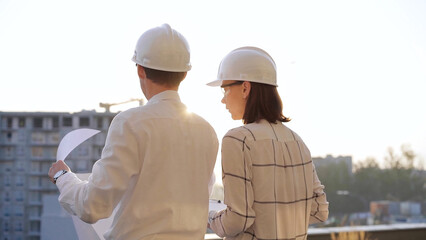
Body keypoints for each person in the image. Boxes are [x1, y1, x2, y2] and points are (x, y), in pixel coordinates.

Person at [48, 24, 218, 240]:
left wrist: (63, 177)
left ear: (140, 69)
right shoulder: (207, 131)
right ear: (185, 73)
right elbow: (200, 196)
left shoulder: (130, 123)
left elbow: (93, 206)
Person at [206, 47, 329, 240]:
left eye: (225, 89)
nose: (223, 99)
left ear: (245, 88)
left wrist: (210, 216)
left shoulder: (238, 139)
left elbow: (239, 219)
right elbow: (319, 210)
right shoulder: (298, 142)